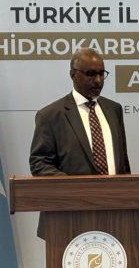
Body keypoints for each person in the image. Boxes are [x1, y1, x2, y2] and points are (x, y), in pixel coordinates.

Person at [30, 48, 130, 236]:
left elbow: (122, 164)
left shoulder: (114, 110)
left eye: (102, 73)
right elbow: (39, 164)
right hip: (66, 216)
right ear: (72, 74)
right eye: (90, 74)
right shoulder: (51, 115)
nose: (98, 80)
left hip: (114, 215)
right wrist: (78, 189)